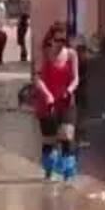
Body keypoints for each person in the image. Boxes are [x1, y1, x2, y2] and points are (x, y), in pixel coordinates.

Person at [32, 24, 81, 181]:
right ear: (51, 39)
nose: (60, 43)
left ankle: (68, 176)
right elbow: (37, 78)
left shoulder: (72, 54)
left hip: (66, 101)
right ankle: (48, 172)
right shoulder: (43, 55)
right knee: (50, 140)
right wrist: (47, 95)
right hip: (47, 102)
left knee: (67, 136)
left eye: (63, 39)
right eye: (57, 39)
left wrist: (69, 90)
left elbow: (76, 78)